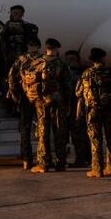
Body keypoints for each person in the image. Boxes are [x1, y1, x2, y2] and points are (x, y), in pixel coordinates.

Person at [24, 38, 73, 173]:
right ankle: (60, 163)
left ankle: (43, 164)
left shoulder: (36, 63)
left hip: (40, 102)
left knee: (43, 132)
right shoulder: (61, 64)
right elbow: (68, 85)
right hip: (58, 102)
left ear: (46, 48)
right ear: (56, 49)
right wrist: (68, 103)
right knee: (60, 132)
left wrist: (32, 98)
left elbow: (27, 81)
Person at [77, 48, 111, 178]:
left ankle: (97, 169)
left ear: (92, 60)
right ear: (103, 58)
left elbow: (79, 93)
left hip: (93, 110)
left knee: (96, 140)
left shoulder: (86, 73)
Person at [6, 38, 42, 169]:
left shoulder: (21, 60)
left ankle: (27, 158)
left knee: (25, 129)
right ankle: (41, 157)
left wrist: (15, 93)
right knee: (40, 129)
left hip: (26, 97)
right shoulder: (44, 60)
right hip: (39, 98)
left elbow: (11, 77)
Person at [64, 49, 90, 167]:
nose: (70, 62)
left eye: (72, 59)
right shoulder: (85, 72)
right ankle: (87, 158)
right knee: (83, 136)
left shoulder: (73, 74)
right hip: (79, 109)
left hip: (77, 109)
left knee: (78, 137)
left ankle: (81, 159)